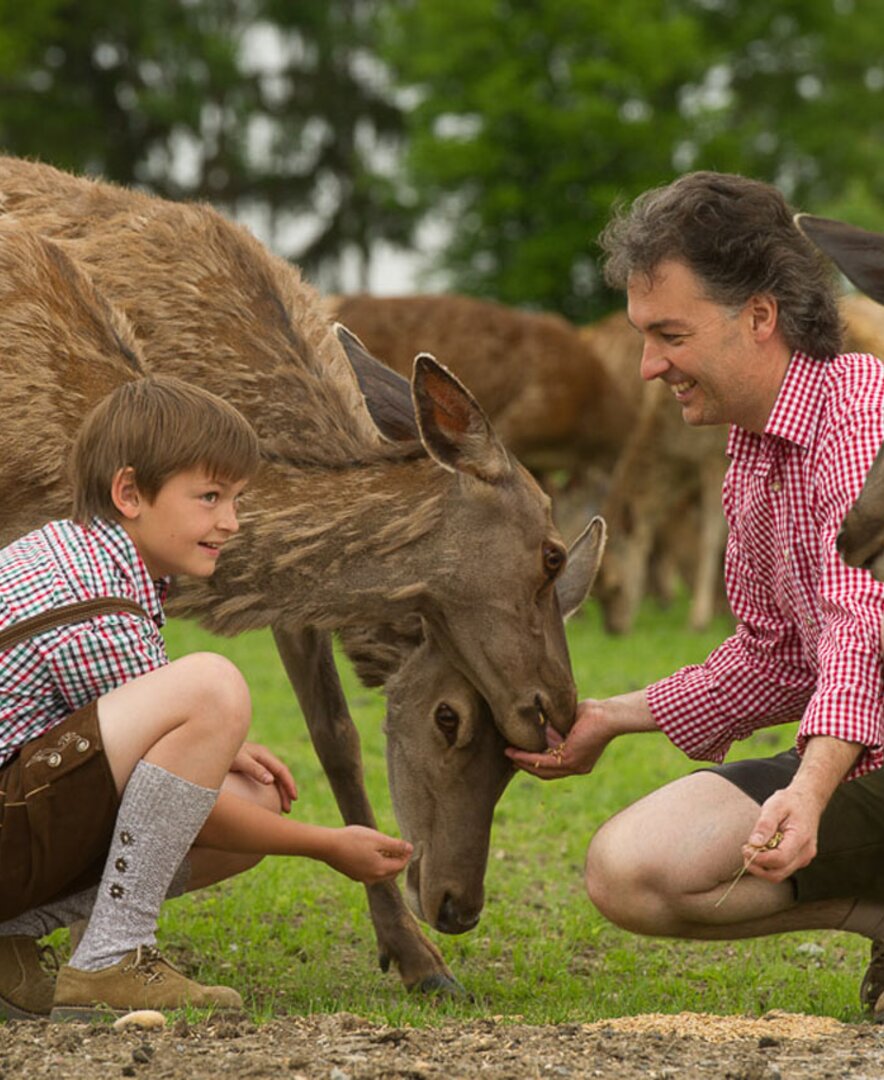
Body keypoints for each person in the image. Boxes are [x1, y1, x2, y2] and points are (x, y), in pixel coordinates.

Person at [507, 171, 884, 1015]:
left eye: (669, 335)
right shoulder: (753, 453)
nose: (647, 368)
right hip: (862, 756)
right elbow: (778, 657)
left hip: (855, 756)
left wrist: (812, 789)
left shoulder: (868, 420)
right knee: (631, 869)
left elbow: (863, 628)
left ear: (759, 316)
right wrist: (612, 713)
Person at [0, 375, 412, 1021]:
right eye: (211, 496)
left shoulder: (75, 554)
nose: (231, 522)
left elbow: (126, 757)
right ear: (130, 493)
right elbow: (183, 808)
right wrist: (324, 844)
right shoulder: (100, 604)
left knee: (254, 796)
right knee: (214, 687)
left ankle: (8, 940)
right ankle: (113, 955)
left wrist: (220, 749)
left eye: (236, 499)